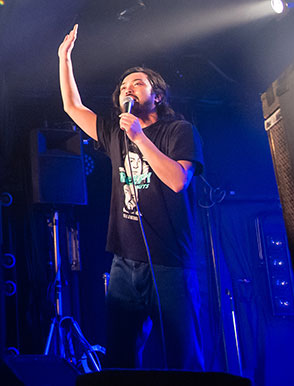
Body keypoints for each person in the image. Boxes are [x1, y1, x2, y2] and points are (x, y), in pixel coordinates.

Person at [57, 24, 204, 370]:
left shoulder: (179, 131)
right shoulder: (115, 134)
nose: (128, 88)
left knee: (182, 357)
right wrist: (64, 59)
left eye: (137, 83)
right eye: (124, 86)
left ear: (158, 96)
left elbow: (178, 181)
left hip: (169, 263)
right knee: (120, 358)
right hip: (124, 263)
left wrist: (140, 138)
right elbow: (73, 107)